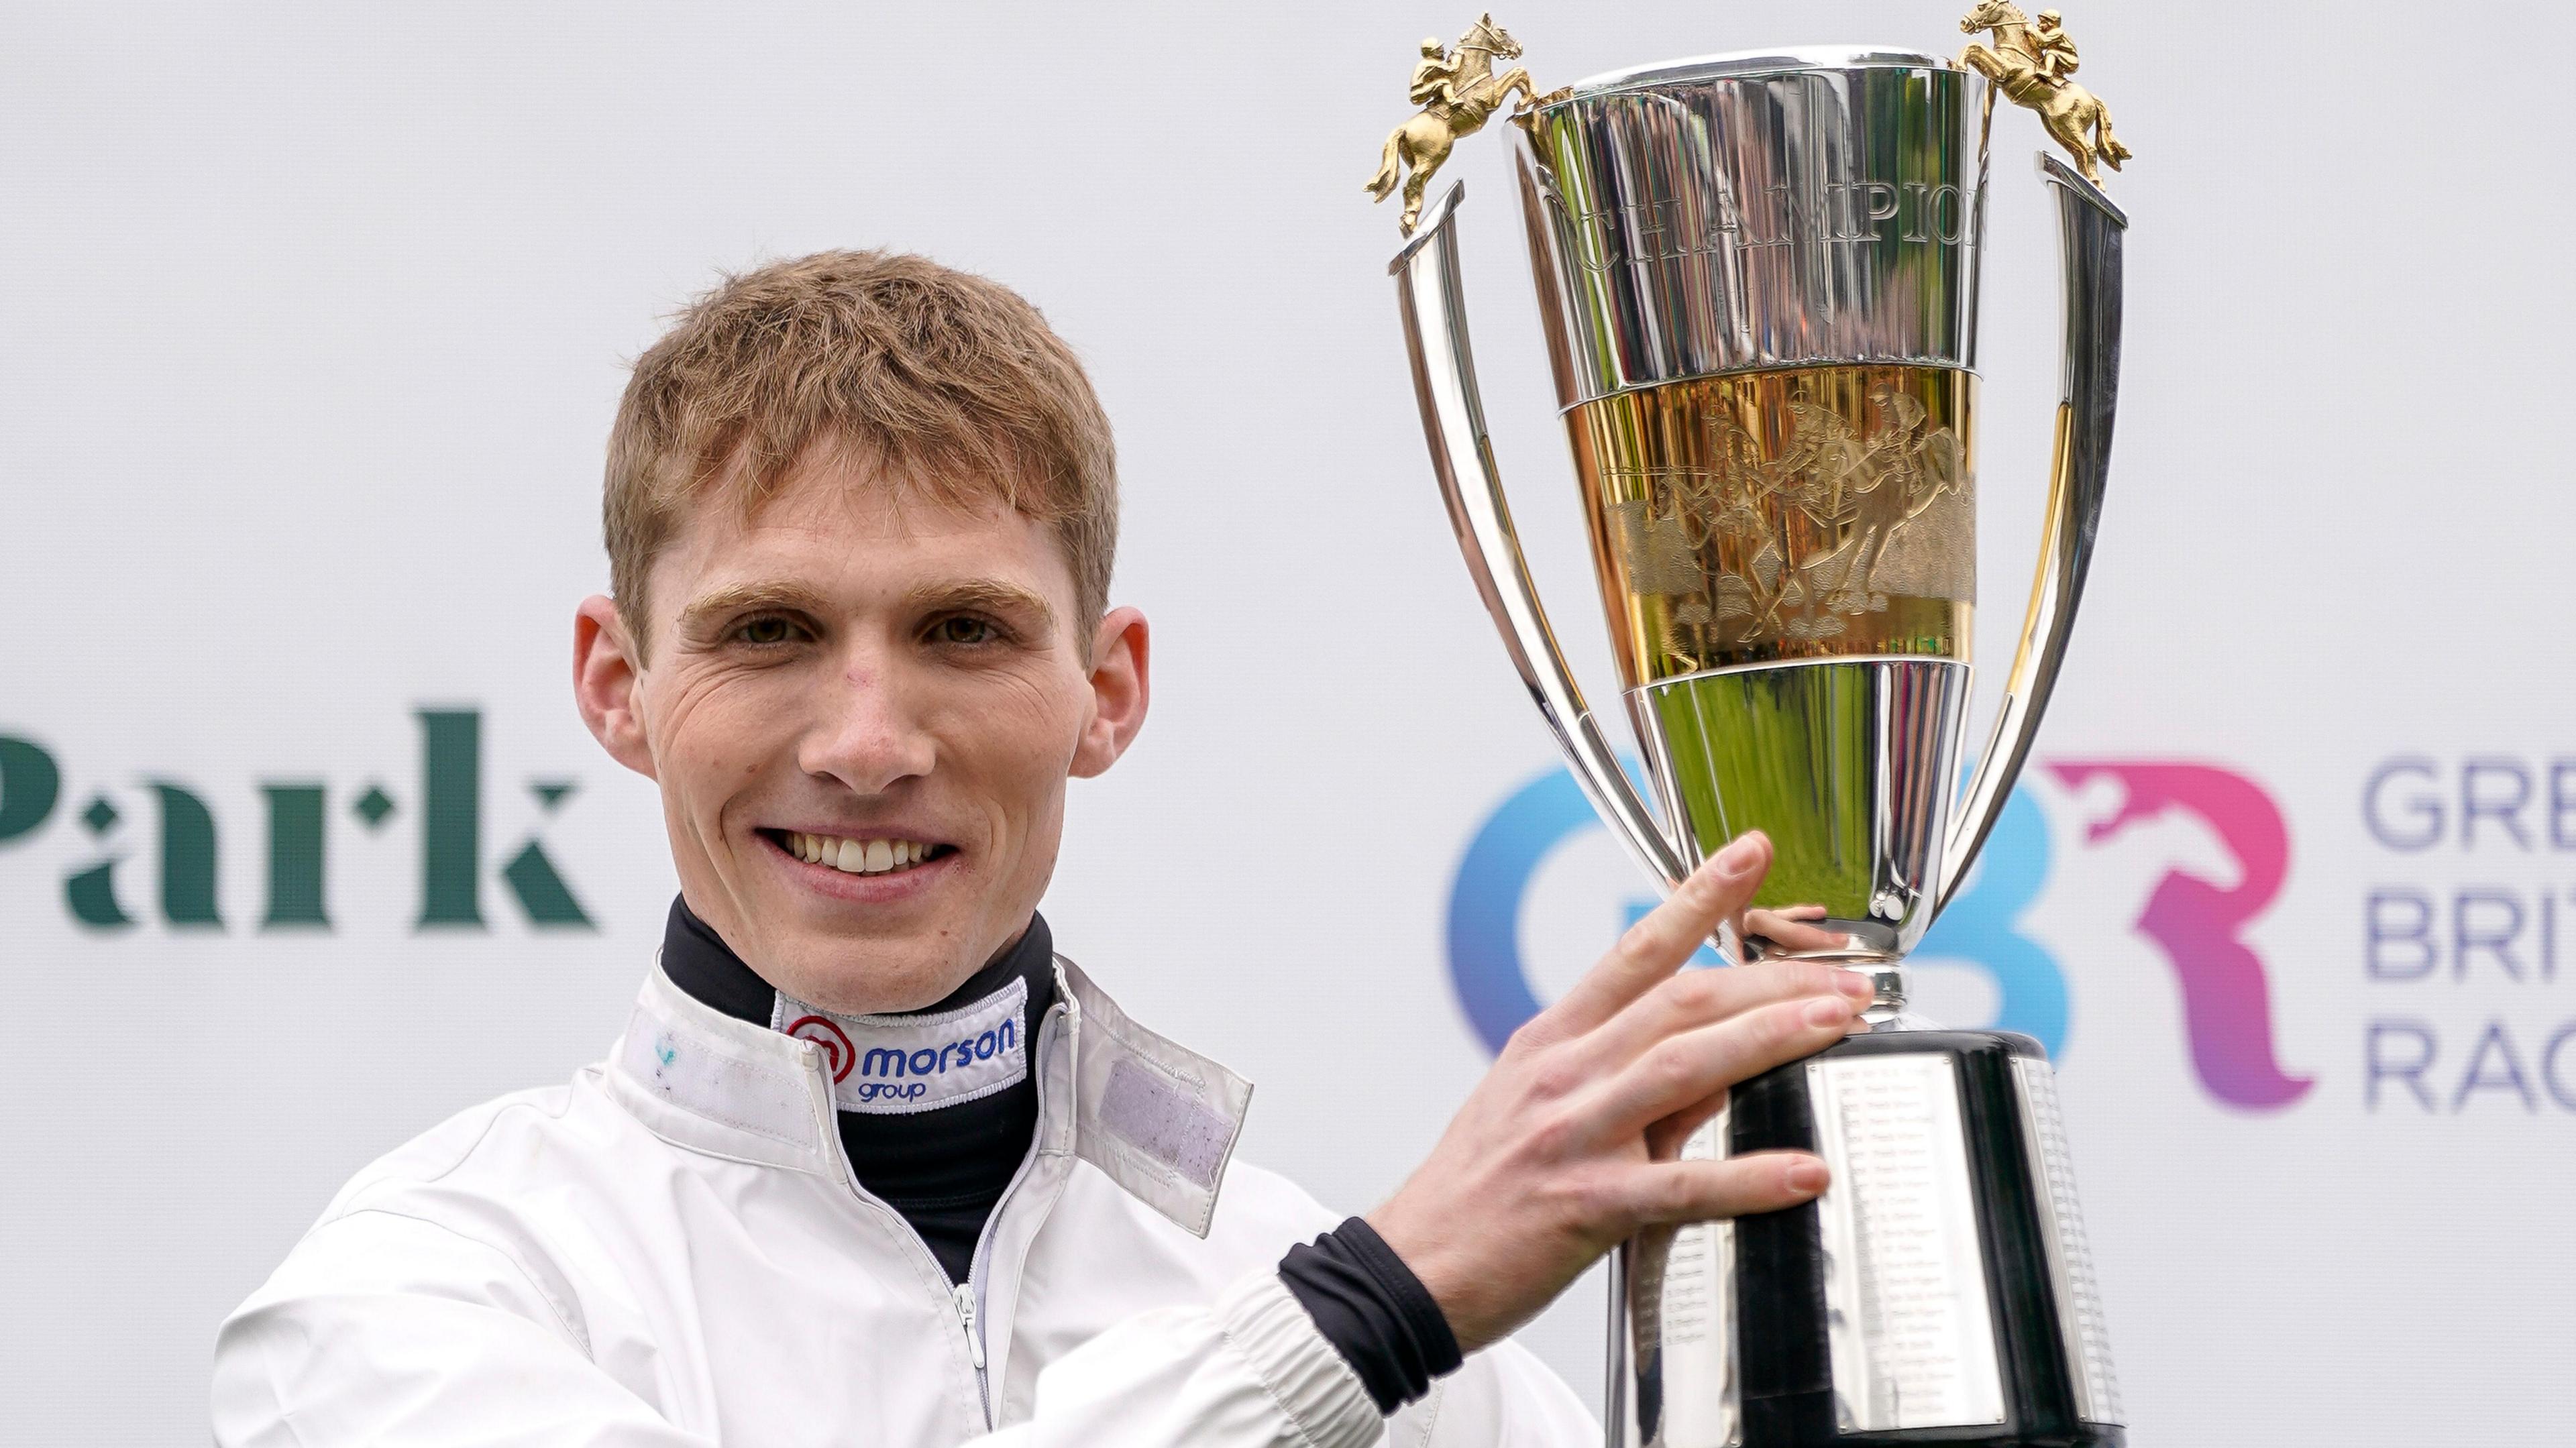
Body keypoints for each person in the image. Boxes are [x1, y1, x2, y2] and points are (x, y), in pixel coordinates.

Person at [209, 250, 1870, 1446]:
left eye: (961, 629)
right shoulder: (419, 1287)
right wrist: (1355, 1319)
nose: (866, 741)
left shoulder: (1351, 1308)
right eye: (771, 629)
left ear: (1106, 688)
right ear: (616, 685)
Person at [2031, 9, 2080, 86]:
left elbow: (2044, 42)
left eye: (2043, 22)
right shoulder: (2048, 33)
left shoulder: (2057, 32)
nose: (2038, 24)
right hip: (2061, 58)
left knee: (2051, 52)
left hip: (2071, 60)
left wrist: (2032, 31)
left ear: (2051, 24)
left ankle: (2049, 72)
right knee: (2049, 54)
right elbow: (2040, 46)